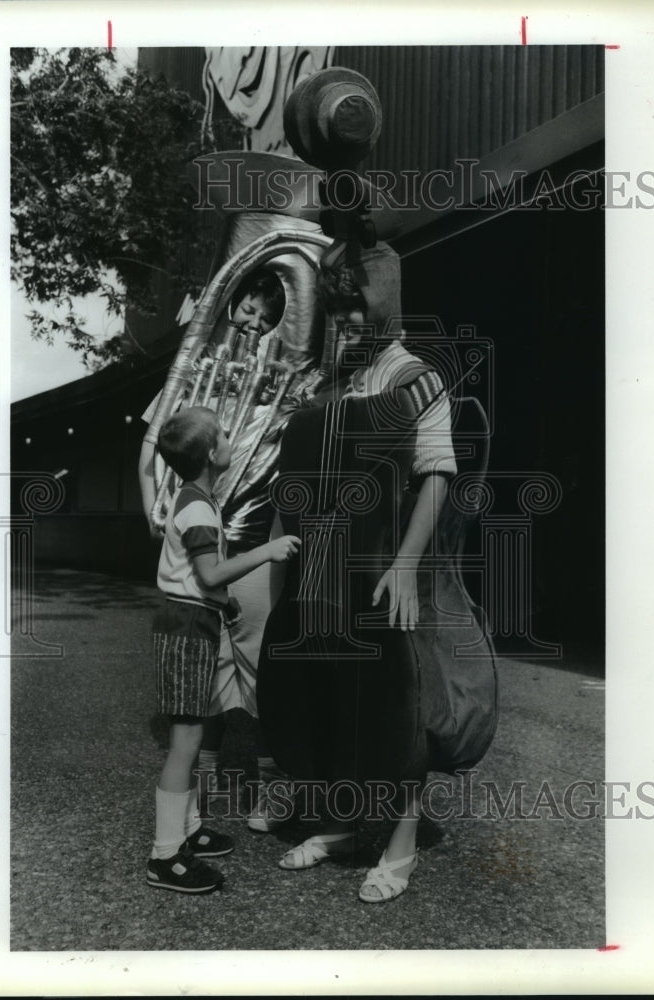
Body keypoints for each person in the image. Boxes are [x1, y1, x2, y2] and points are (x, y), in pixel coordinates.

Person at [257, 241, 461, 903]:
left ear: (383, 309)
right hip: (320, 568)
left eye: (354, 309)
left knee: (395, 702)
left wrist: (404, 565)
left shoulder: (418, 378)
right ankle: (343, 824)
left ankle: (400, 843)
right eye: (335, 311)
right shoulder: (330, 383)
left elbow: (436, 475)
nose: (343, 323)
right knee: (330, 696)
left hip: (383, 565)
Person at [139, 270, 322, 831]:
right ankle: (205, 792)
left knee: (262, 666)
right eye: (246, 308)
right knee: (207, 672)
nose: (251, 322)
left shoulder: (286, 385)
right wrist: (152, 506)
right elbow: (151, 442)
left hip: (252, 539)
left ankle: (272, 789)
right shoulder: (197, 372)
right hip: (199, 543)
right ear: (231, 304)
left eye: (267, 318)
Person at [146, 405, 300, 893]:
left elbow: (201, 577)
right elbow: (209, 573)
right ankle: (164, 855)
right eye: (227, 436)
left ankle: (188, 832)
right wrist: (265, 552)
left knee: (192, 737)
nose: (235, 441)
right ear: (213, 453)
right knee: (185, 744)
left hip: (197, 619)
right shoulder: (197, 506)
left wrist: (226, 604)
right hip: (186, 627)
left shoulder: (197, 498)